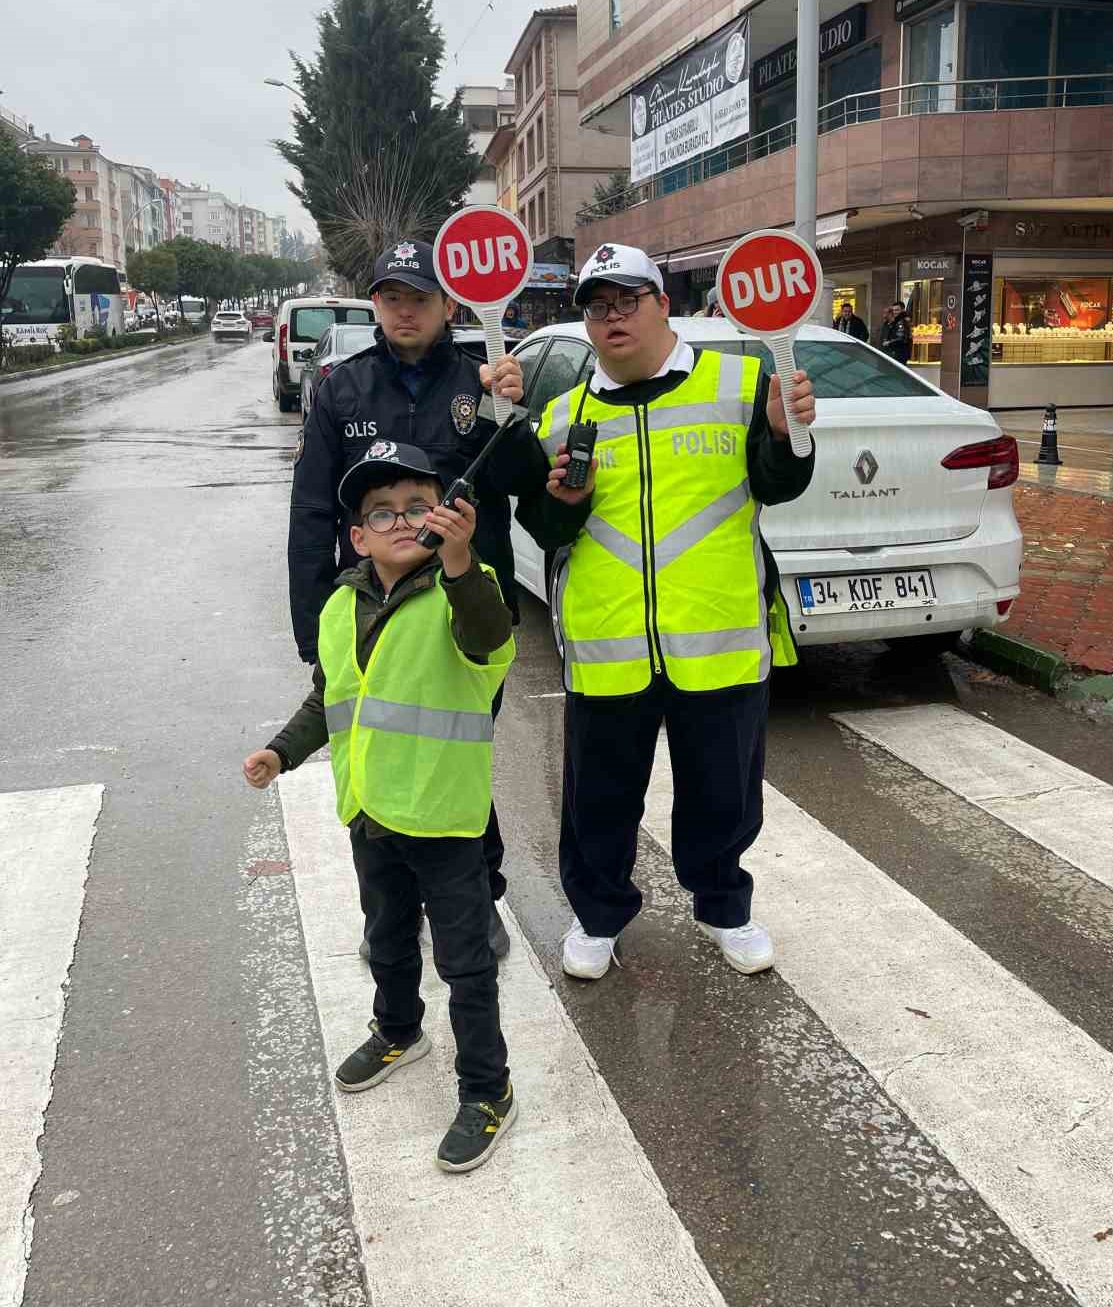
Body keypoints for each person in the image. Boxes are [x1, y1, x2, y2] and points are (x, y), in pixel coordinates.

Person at [515, 244, 817, 982]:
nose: (611, 318)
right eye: (596, 306)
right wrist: (560, 503)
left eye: (626, 300)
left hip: (716, 634)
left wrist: (786, 433)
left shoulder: (742, 384)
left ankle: (724, 907)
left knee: (723, 792)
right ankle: (599, 916)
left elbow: (780, 486)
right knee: (599, 800)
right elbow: (543, 529)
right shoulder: (562, 413)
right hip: (606, 638)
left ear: (661, 303)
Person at [244, 442, 517, 1172]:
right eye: (381, 512)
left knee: (465, 964)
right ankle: (399, 1030)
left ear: (449, 515)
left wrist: (460, 563)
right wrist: (281, 751)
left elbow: (489, 642)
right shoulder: (342, 605)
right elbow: (328, 696)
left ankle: (488, 1091)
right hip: (370, 813)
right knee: (388, 940)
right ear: (357, 537)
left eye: (419, 505)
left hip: (444, 819)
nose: (403, 520)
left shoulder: (470, 587)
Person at [288, 240, 542, 959]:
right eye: (391, 296)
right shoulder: (342, 389)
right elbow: (311, 514)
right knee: (376, 762)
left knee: (458, 761)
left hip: (464, 611)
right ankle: (393, 913)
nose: (405, 310)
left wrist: (511, 407)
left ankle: (477, 898)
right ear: (376, 303)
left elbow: (523, 478)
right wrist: (315, 632)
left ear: (447, 306)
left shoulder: (480, 380)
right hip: (372, 618)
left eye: (419, 297)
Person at [881, 299, 912, 364]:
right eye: (894, 310)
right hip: (897, 352)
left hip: (900, 353)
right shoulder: (898, 320)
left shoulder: (902, 321)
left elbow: (901, 338)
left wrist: (889, 342)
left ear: (903, 310)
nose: (895, 312)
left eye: (897, 310)